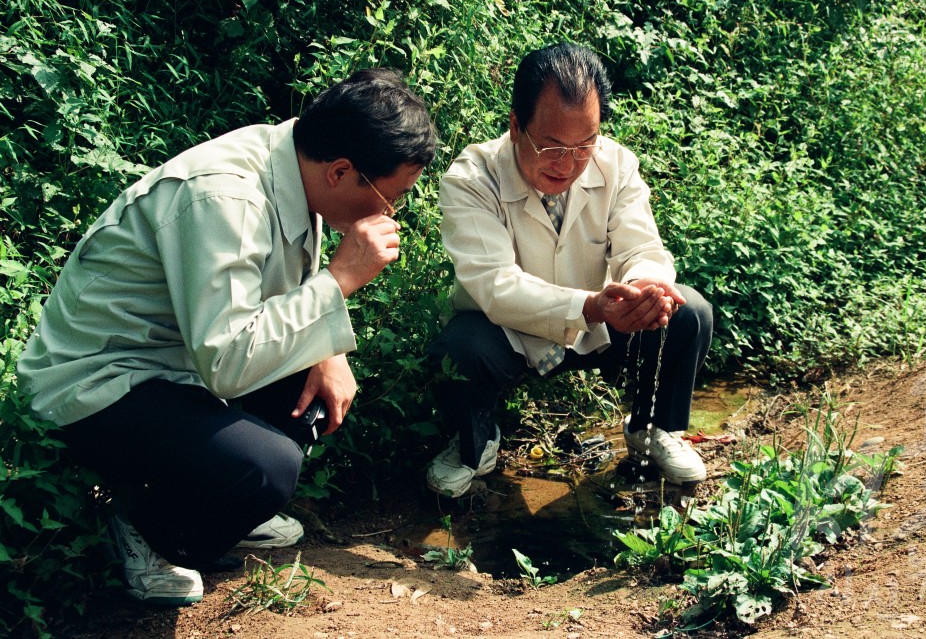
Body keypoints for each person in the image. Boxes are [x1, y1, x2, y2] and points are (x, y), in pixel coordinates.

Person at [16, 69, 437, 605]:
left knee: (309, 401)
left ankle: (202, 501)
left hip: (179, 363)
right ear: (341, 171)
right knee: (266, 470)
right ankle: (148, 528)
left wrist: (325, 349)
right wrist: (339, 282)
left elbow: (258, 309)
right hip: (98, 381)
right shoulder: (225, 197)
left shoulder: (295, 167)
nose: (389, 213)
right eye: (389, 196)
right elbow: (229, 361)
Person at [425, 43, 713, 498]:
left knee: (687, 311)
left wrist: (643, 288)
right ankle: (473, 444)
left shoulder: (616, 165)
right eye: (553, 145)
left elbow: (642, 247)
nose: (569, 163)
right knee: (459, 347)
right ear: (516, 125)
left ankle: (652, 427)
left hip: (601, 326)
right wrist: (590, 305)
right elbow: (495, 286)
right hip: (509, 333)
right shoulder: (472, 178)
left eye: (585, 144)